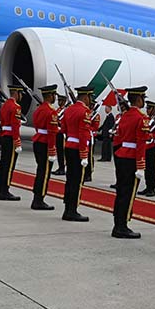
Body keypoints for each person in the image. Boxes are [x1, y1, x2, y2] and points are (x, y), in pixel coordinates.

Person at [111, 86, 149, 238]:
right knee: (128, 193)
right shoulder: (141, 117)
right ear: (139, 100)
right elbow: (141, 143)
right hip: (132, 157)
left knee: (121, 191)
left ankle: (118, 223)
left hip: (122, 155)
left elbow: (118, 138)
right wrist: (141, 165)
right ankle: (122, 226)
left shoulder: (124, 115)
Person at [61, 86, 93, 221]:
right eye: (90, 97)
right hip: (78, 149)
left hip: (68, 145)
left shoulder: (68, 110)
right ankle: (72, 210)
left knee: (70, 179)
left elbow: (63, 127)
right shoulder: (84, 112)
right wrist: (84, 155)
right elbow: (83, 134)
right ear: (85, 97)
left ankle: (67, 208)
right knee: (76, 180)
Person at [31, 85, 60, 210]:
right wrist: (52, 150)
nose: (55, 98)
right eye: (54, 95)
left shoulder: (39, 109)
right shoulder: (51, 111)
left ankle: (37, 197)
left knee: (40, 170)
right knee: (45, 172)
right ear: (50, 95)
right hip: (45, 143)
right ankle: (39, 199)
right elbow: (52, 133)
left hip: (38, 140)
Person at [0, 85, 23, 201]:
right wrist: (17, 142)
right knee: (9, 165)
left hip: (4, 136)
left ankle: (1, 189)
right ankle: (5, 190)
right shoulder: (16, 107)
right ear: (16, 93)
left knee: (3, 163)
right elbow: (15, 126)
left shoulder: (5, 105)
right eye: (20, 94)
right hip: (11, 138)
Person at [138, 99, 155, 197]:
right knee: (146, 168)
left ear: (154, 109)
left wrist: (150, 135)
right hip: (146, 146)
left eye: (149, 108)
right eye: (147, 108)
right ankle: (147, 186)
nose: (147, 110)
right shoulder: (146, 119)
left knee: (152, 168)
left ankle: (152, 188)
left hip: (153, 147)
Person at [52, 94, 69, 175]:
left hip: (62, 133)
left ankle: (62, 168)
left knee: (62, 151)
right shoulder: (58, 110)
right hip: (57, 132)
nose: (59, 102)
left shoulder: (65, 110)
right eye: (58, 100)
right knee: (58, 151)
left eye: (61, 101)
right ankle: (60, 166)